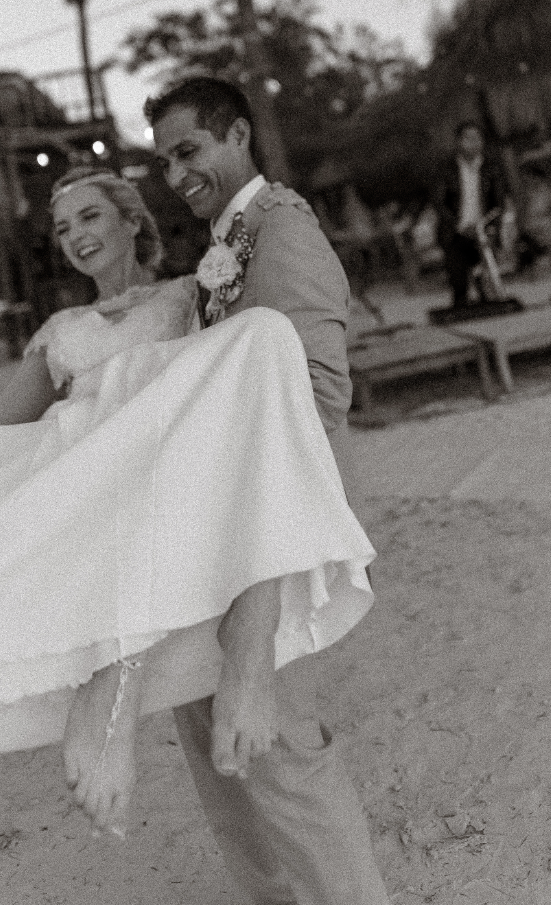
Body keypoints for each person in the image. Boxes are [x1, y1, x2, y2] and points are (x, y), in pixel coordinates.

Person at [0, 168, 375, 842]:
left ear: (132, 221)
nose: (75, 235)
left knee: (208, 365)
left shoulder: (189, 296)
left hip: (172, 480)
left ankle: (127, 677)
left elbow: (236, 402)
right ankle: (120, 676)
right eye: (62, 228)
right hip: (88, 483)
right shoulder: (61, 330)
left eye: (89, 217)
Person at [149, 76, 392, 905]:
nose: (176, 174)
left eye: (189, 150)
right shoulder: (228, 239)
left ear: (238, 136)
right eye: (164, 161)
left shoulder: (281, 230)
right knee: (228, 755)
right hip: (222, 528)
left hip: (277, 531)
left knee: (283, 752)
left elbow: (318, 398)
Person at [434, 120, 507, 308]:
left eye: (477, 138)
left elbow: (499, 202)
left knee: (487, 286)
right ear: (459, 141)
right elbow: (439, 203)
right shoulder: (446, 169)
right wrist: (458, 225)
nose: (473, 143)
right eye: (468, 138)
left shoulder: (491, 168)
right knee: (459, 284)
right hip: (455, 233)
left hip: (483, 232)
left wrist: (492, 227)